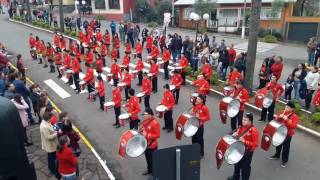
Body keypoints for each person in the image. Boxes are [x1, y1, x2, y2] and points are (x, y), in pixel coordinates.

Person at [227, 113, 259, 180]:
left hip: (247, 151)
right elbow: (239, 135)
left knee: (245, 167)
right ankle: (236, 177)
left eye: (245, 120)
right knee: (237, 163)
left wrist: (245, 141)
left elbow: (256, 144)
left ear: (250, 121)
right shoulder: (241, 126)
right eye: (243, 119)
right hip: (239, 148)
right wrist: (235, 134)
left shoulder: (254, 131)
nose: (243, 121)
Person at [269, 101, 299, 167]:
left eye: (288, 107)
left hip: (288, 134)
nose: (286, 108)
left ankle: (284, 160)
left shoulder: (294, 116)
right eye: (286, 106)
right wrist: (279, 117)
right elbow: (276, 120)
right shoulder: (282, 112)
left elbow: (294, 126)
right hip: (279, 131)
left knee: (286, 147)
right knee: (278, 144)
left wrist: (287, 120)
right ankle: (277, 155)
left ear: (292, 109)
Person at [140, 108, 160, 176]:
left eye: (145, 115)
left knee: (152, 160)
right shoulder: (146, 121)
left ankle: (154, 172)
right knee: (147, 158)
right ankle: (149, 169)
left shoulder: (155, 123)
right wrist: (141, 130)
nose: (144, 116)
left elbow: (158, 135)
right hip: (146, 144)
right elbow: (144, 128)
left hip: (152, 145)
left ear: (150, 114)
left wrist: (147, 135)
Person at [40, 112, 59, 178]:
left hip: (51, 144)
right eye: (51, 118)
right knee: (52, 158)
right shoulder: (44, 127)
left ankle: (50, 167)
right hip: (50, 145)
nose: (52, 119)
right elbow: (48, 137)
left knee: (50, 157)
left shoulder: (46, 123)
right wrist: (57, 133)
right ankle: (53, 170)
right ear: (48, 119)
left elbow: (51, 128)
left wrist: (56, 127)